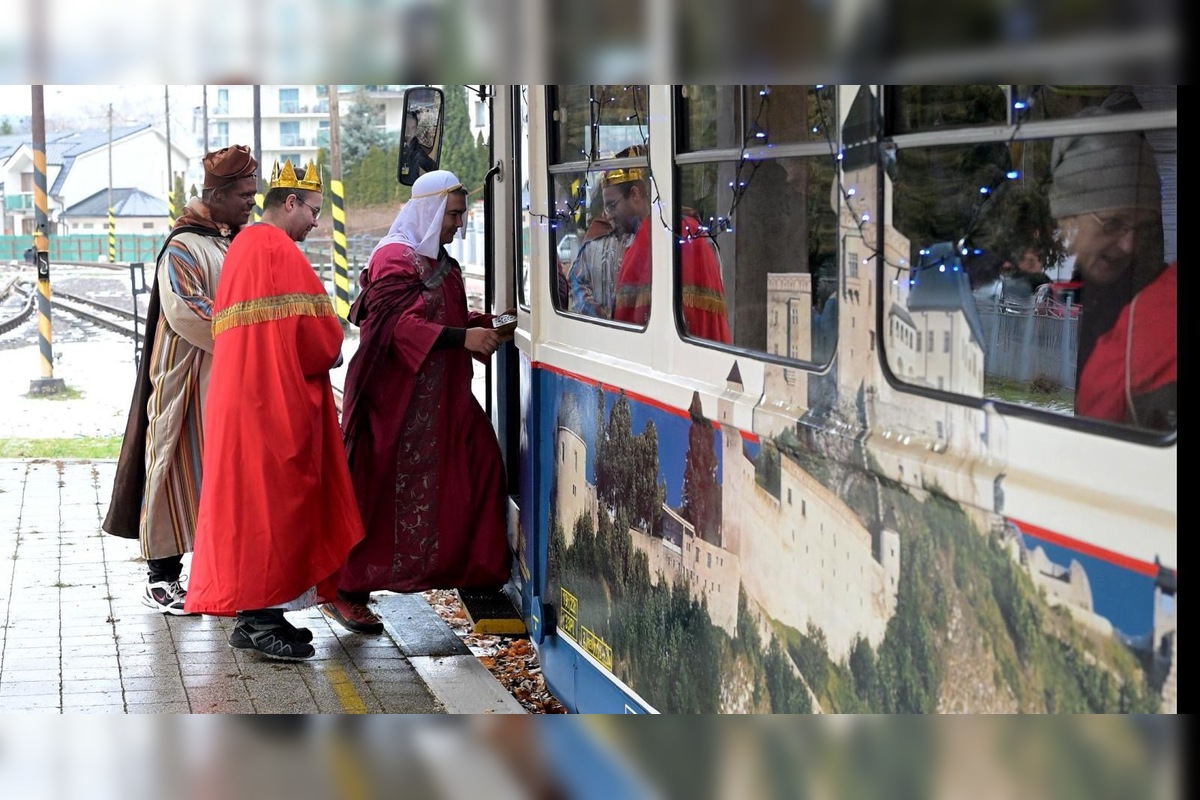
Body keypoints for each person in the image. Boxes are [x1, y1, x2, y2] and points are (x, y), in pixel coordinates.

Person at [184, 159, 365, 660]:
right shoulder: (278, 250)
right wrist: (336, 348)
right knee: (277, 509)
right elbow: (320, 342)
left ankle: (257, 617)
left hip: (239, 403)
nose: (315, 222)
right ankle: (261, 619)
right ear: (290, 203)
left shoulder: (241, 246)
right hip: (274, 408)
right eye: (313, 211)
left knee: (251, 509)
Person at [329, 169, 512, 634]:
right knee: (377, 497)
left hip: (442, 401)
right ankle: (347, 590)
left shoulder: (437, 260)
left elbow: (440, 315)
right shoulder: (395, 258)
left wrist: (486, 323)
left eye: (460, 214)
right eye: (451, 215)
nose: (458, 224)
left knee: (481, 468)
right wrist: (462, 337)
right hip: (395, 406)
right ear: (428, 212)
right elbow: (392, 329)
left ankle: (473, 572)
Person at [102, 145, 259, 615]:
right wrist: (248, 331)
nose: (252, 203)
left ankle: (212, 569)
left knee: (213, 473)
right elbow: (188, 310)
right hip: (185, 379)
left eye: (254, 195)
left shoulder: (223, 239)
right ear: (218, 194)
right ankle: (162, 578)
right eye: (245, 195)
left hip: (222, 375)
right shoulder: (183, 245)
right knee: (171, 466)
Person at [1048, 104, 1175, 430]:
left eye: (1143, 227)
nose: (1130, 245)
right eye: (1114, 223)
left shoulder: (1149, 312)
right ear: (1066, 218)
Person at [606, 148, 732, 342]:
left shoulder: (661, 241)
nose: (609, 215)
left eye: (612, 205)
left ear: (635, 194)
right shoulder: (695, 232)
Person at [566, 205, 632, 318]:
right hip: (599, 326)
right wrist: (600, 315)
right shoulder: (594, 237)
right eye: (609, 206)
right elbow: (577, 281)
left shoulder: (637, 233)